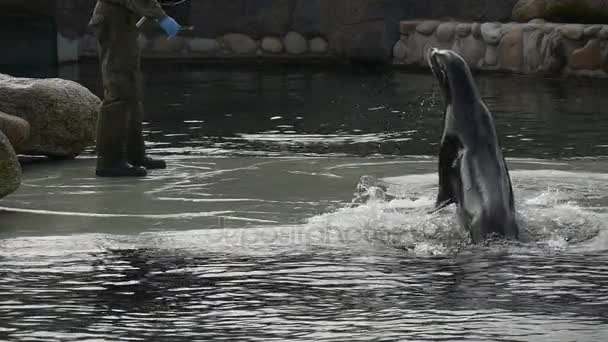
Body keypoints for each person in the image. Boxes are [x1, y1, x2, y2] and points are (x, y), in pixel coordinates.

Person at [89, 0, 181, 177]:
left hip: (125, 18)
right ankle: (110, 160)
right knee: (118, 89)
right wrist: (161, 16)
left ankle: (134, 155)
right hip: (114, 19)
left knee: (131, 87)